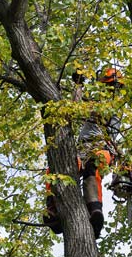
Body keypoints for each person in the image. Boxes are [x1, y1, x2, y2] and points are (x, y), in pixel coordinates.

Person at [43, 66, 124, 239]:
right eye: (109, 86)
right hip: (81, 148)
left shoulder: (113, 107)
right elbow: (73, 109)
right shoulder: (96, 101)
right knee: (55, 171)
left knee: (92, 168)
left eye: (114, 87)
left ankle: (95, 211)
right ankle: (53, 208)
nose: (112, 90)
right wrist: (78, 85)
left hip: (103, 147)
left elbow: (83, 109)